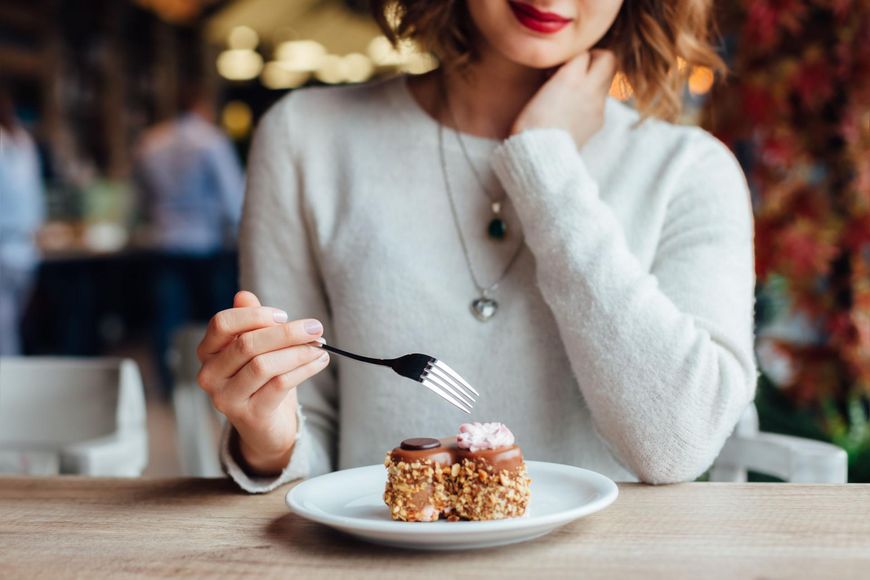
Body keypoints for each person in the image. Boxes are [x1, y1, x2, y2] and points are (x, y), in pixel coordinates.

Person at [197, 0, 757, 491]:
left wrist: (545, 164)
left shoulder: (690, 170)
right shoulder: (306, 140)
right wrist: (268, 439)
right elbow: (307, 441)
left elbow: (679, 443)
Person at [134, 81, 245, 396]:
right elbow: (231, 196)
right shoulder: (210, 141)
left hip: (164, 239)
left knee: (167, 318)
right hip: (205, 242)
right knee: (215, 319)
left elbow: (141, 197)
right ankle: (216, 383)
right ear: (201, 106)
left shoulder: (150, 141)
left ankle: (169, 385)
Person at [0, 83, 44, 355]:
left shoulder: (18, 142)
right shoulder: (23, 140)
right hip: (26, 248)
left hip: (6, 244)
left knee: (4, 330)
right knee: (10, 326)